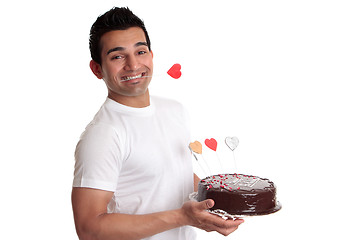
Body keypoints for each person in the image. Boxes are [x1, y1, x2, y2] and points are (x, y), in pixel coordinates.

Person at [71, 7, 244, 240]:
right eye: (117, 56)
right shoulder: (103, 134)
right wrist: (182, 217)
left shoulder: (175, 110)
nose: (133, 65)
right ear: (97, 69)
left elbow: (174, 173)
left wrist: (219, 200)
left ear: (151, 56)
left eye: (140, 52)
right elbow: (89, 229)